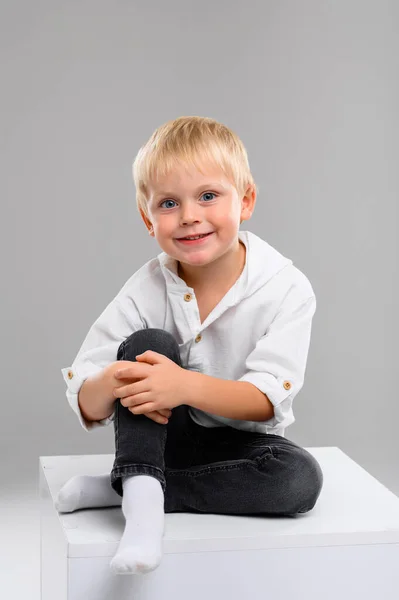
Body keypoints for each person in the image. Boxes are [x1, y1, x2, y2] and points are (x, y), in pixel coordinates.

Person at [58, 115, 323, 576]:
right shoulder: (146, 288)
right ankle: (142, 507)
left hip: (238, 448)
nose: (189, 216)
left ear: (245, 201)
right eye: (168, 203)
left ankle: (133, 487)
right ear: (147, 218)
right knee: (147, 343)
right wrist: (119, 378)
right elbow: (86, 394)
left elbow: (264, 402)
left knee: (299, 480)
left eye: (208, 196)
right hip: (159, 436)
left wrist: (183, 385)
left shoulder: (286, 288)